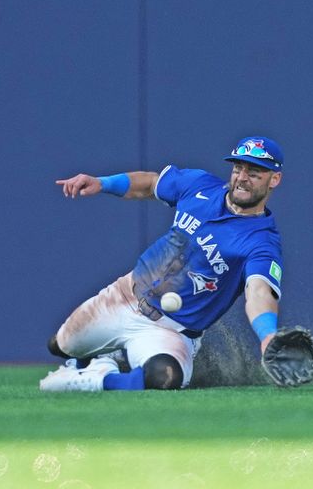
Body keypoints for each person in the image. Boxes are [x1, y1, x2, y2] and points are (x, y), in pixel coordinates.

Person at [40, 136, 286, 392]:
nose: (242, 177)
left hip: (171, 331)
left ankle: (98, 378)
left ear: (274, 179)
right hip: (124, 297)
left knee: (165, 378)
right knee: (58, 345)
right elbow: (149, 183)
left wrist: (267, 334)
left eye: (254, 172)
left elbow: (259, 291)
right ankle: (101, 358)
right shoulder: (199, 185)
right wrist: (102, 183)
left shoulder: (261, 242)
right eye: (238, 168)